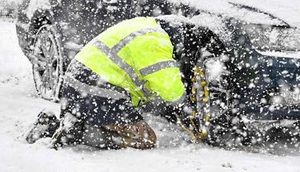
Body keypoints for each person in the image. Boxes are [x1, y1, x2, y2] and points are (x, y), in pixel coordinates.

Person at [26, 16, 186, 150]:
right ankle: (76, 134)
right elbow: (169, 86)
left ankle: (58, 125)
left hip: (78, 81)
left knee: (100, 118)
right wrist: (186, 106)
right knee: (146, 139)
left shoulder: (144, 25)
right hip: (99, 89)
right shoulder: (157, 40)